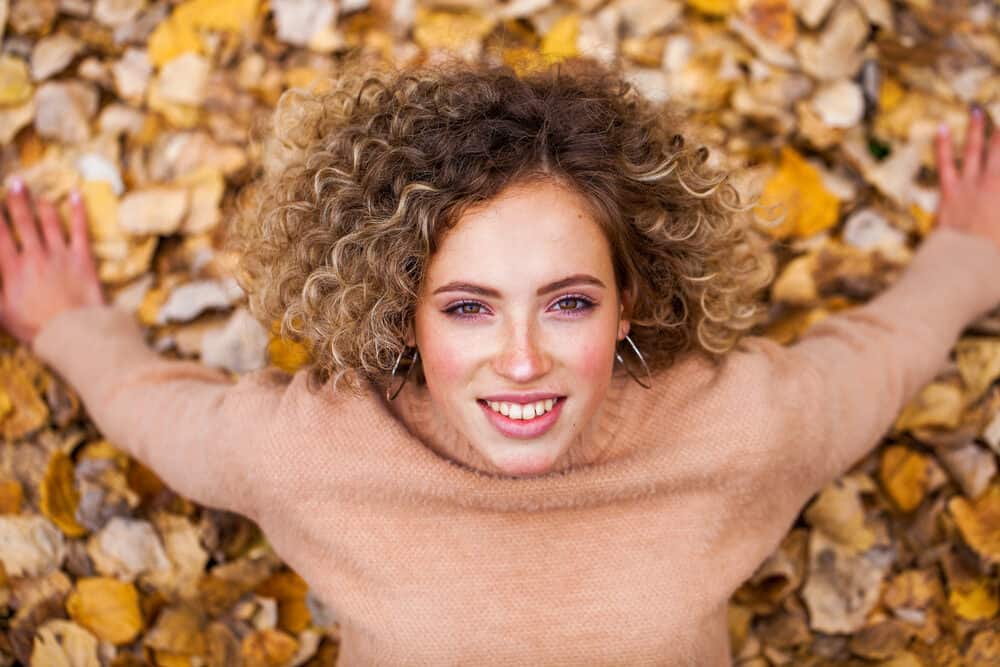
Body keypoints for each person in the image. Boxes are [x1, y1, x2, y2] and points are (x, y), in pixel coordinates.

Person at [3, 55, 999, 664]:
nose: (520, 360)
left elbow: (871, 362)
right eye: (469, 308)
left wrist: (960, 261)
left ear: (627, 306)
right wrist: (68, 325)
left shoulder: (742, 428)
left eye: (566, 302)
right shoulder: (306, 449)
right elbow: (163, 415)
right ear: (404, 318)